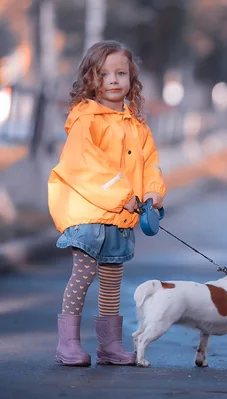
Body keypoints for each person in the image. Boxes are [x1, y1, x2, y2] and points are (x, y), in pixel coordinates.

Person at [48, 40, 166, 366]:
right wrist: (122, 196)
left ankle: (110, 344)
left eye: (121, 73)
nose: (113, 80)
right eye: (104, 74)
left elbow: (150, 162)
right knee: (83, 275)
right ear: (91, 79)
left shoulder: (137, 125)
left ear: (131, 79)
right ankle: (68, 342)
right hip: (87, 211)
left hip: (121, 216)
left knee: (112, 280)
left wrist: (154, 192)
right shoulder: (86, 121)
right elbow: (86, 165)